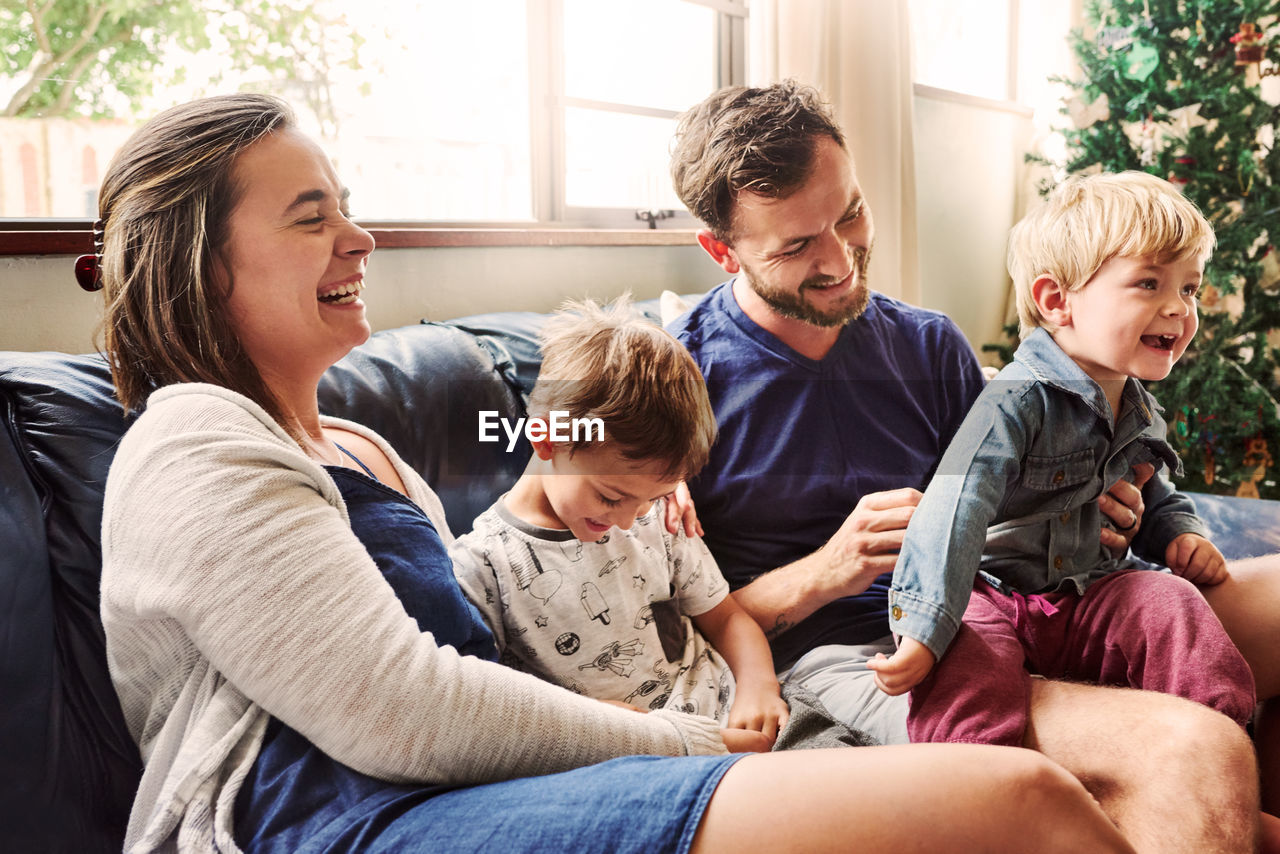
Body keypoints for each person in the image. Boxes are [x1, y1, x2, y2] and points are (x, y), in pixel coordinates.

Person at [95, 93, 1137, 854]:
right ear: (197, 257)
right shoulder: (196, 443)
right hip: (340, 816)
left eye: (347, 207)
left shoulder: (358, 447)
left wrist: (637, 481)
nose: (358, 238)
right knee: (1015, 802)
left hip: (467, 784)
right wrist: (685, 738)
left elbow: (530, 439)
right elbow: (399, 706)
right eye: (310, 216)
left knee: (1024, 793)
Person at [668, 80, 1268, 853]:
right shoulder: (672, 382)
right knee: (1190, 747)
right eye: (795, 246)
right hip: (858, 656)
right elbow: (651, 624)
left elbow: (1007, 491)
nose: (841, 257)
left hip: (1009, 603)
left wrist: (1089, 493)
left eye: (849, 212)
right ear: (722, 251)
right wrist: (822, 572)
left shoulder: (929, 345)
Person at [867, 171, 1255, 746]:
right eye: (1149, 283)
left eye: (1190, 289)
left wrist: (1179, 533)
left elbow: (1151, 490)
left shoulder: (1138, 406)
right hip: (995, 591)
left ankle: (1219, 743)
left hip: (1087, 590)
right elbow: (956, 507)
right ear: (1057, 302)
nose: (1179, 308)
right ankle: (977, 773)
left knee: (1169, 600)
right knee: (965, 656)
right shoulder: (1015, 401)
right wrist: (924, 626)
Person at [450, 299, 864, 749]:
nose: (627, 520)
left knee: (862, 773)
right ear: (547, 439)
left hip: (739, 707)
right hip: (638, 753)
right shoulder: (482, 567)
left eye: (653, 498)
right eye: (612, 496)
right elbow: (501, 711)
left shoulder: (657, 520)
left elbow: (726, 620)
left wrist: (759, 685)